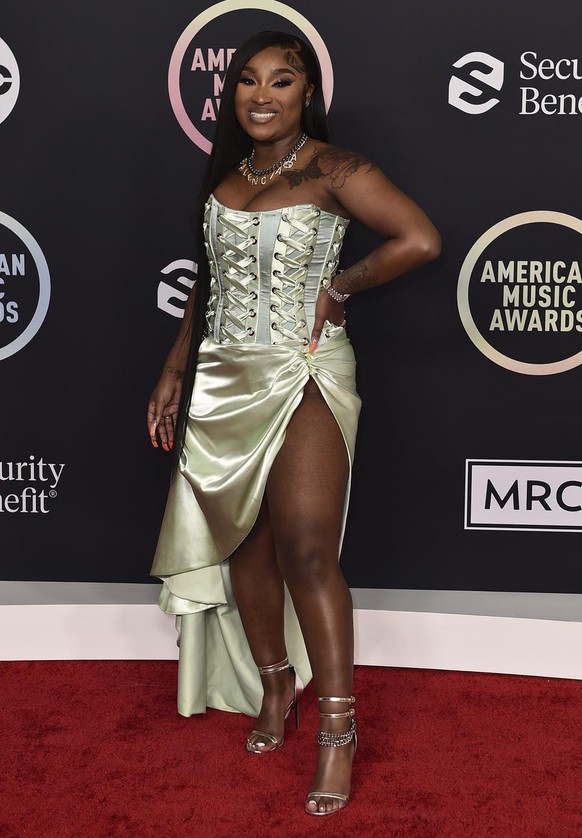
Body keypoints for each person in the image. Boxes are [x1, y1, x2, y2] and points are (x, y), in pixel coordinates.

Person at [148, 30, 441, 816]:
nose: (262, 94)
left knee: (308, 547)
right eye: (248, 81)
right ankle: (275, 685)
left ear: (307, 92)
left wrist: (341, 285)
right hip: (224, 374)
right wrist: (177, 368)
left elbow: (420, 239)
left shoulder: (337, 169)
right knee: (247, 541)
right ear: (233, 95)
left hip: (306, 367)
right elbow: (208, 285)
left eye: (282, 80)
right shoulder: (231, 176)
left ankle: (338, 732)